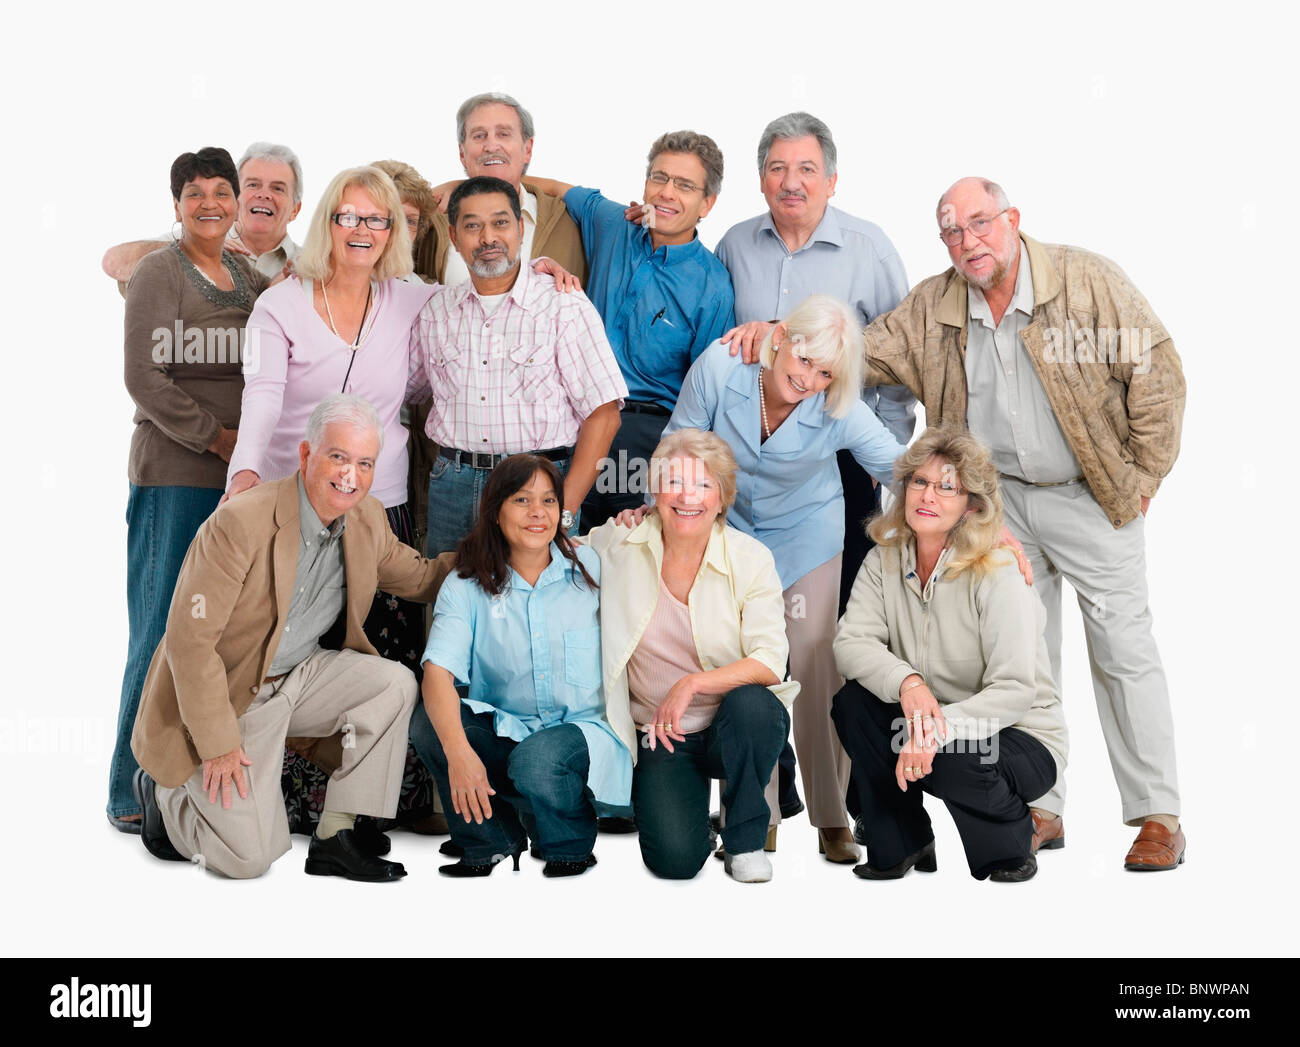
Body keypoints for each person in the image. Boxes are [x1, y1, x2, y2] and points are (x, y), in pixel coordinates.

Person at [861, 177, 1187, 870]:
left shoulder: (1084, 280)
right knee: (1021, 657)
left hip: (1092, 492)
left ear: (1013, 219)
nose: (967, 241)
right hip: (997, 506)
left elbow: (1156, 369)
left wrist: (1144, 477)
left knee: (1124, 652)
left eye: (980, 223)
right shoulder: (934, 305)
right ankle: (1046, 807)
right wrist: (786, 338)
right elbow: (864, 350)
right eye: (951, 231)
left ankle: (1159, 815)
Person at [130, 396, 453, 880]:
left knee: (394, 684)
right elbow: (189, 642)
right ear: (306, 456)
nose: (351, 475)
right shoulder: (240, 522)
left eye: (364, 463)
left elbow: (422, 577)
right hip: (233, 695)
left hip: (299, 678)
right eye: (338, 457)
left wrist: (504, 550)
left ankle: (336, 836)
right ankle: (164, 799)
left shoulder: (366, 518)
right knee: (247, 859)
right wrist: (218, 743)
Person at [709, 112, 916, 819]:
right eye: (776, 168)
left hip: (845, 462)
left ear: (831, 178)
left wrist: (877, 459)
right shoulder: (735, 245)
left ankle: (853, 800)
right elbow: (719, 358)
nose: (790, 182)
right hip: (749, 469)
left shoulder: (868, 247)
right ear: (760, 176)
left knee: (826, 642)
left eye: (805, 169)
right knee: (752, 634)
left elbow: (896, 357)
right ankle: (772, 790)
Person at [222, 164, 437, 835]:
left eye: (377, 218)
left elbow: (432, 379)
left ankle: (371, 806)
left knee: (379, 653)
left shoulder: (415, 301)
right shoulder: (281, 304)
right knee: (292, 649)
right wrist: (245, 475)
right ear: (327, 223)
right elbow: (260, 395)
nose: (362, 230)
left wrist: (544, 267)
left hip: (380, 502)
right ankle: (285, 802)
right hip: (293, 501)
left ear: (394, 229)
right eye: (348, 216)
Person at [654, 295, 903, 863]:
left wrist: (968, 506)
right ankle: (754, 816)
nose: (810, 379)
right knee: (743, 670)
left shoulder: (837, 404)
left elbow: (897, 466)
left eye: (825, 373)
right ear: (783, 335)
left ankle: (833, 817)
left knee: (817, 668)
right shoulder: (721, 366)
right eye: (805, 360)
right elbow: (676, 446)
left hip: (807, 537)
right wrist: (658, 515)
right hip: (733, 537)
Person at [108, 147, 270, 835]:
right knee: (159, 627)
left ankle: (194, 775)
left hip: (237, 486)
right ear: (176, 204)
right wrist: (219, 437)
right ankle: (128, 784)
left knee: (213, 631)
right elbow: (144, 379)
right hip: (176, 474)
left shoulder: (247, 275)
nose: (209, 203)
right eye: (194, 193)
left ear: (236, 202)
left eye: (220, 192)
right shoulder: (158, 272)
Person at [831, 429, 1067, 882]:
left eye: (947, 487)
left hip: (1018, 735)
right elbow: (851, 643)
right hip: (930, 721)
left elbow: (1016, 691)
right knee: (853, 704)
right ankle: (902, 842)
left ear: (971, 505)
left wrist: (933, 731)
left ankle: (1010, 846)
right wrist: (908, 684)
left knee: (958, 756)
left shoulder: (998, 570)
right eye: (919, 482)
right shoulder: (884, 558)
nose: (928, 496)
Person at [587, 429, 798, 882]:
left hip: (731, 725)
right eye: (674, 482)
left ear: (722, 498)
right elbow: (553, 549)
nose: (688, 496)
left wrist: (692, 684)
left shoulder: (751, 558)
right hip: (661, 730)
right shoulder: (619, 543)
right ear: (655, 490)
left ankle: (743, 841)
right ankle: (698, 830)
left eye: (703, 484)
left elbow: (769, 662)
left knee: (755, 707)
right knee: (673, 863)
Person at [408, 454, 632, 877]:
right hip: (510, 732)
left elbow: (652, 538)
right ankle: (489, 840)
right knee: (430, 724)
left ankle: (567, 843)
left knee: (538, 760)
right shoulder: (465, 583)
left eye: (549, 501)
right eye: (522, 500)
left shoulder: (594, 568)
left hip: (583, 736)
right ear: (494, 512)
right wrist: (459, 753)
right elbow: (437, 674)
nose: (537, 513)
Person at [524, 130, 735, 530]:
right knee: (559, 547)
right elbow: (549, 187)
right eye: (660, 178)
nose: (667, 193)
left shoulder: (713, 285)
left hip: (649, 437)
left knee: (631, 561)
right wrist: (454, 186)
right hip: (575, 422)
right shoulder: (612, 223)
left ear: (707, 203)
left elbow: (708, 393)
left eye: (685, 185)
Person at [407, 176, 627, 558]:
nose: (488, 237)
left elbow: (604, 416)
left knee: (533, 609)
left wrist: (566, 512)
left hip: (538, 487)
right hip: (454, 488)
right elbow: (407, 390)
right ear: (454, 237)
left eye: (501, 223)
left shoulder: (564, 305)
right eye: (472, 225)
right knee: (449, 607)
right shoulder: (435, 312)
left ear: (521, 229)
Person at [414, 92, 586, 284]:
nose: (491, 145)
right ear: (462, 153)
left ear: (527, 149)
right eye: (479, 136)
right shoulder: (428, 220)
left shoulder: (572, 220)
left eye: (503, 134)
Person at [102, 142, 304, 291]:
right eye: (252, 185)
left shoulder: (310, 267)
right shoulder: (187, 244)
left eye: (278, 188)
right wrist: (193, 251)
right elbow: (113, 262)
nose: (263, 194)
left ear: (295, 209)